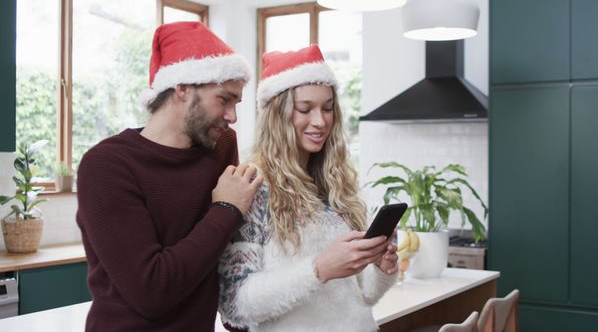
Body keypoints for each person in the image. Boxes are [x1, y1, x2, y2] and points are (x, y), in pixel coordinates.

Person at [76, 21, 263, 331]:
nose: (232, 117)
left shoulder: (220, 145)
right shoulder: (106, 166)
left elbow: (222, 249)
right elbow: (151, 292)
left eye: (236, 103)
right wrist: (227, 208)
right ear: (183, 88)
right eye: (224, 100)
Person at [218, 45, 398, 332]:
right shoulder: (253, 187)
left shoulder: (335, 184)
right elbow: (235, 306)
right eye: (305, 109)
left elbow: (362, 295)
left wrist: (381, 267)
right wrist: (319, 269)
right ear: (277, 114)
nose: (321, 121)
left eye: (327, 108)